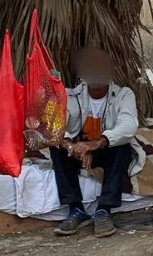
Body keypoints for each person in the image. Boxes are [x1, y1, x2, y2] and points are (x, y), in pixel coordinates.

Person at [52, 46, 139, 238]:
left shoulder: (124, 95)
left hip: (106, 149)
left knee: (122, 148)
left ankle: (104, 210)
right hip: (78, 149)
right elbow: (56, 127)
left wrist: (97, 143)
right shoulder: (70, 96)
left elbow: (129, 125)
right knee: (57, 148)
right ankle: (76, 209)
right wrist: (73, 147)